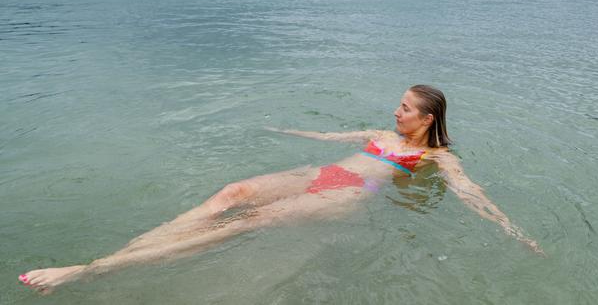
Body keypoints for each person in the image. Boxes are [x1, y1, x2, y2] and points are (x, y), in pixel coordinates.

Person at [19, 85, 542, 293]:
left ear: (427, 119)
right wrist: (277, 128)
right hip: (323, 173)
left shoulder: (436, 157)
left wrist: (512, 229)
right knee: (234, 192)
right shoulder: (379, 134)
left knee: (243, 225)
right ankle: (124, 252)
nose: (394, 110)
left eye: (404, 107)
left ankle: (92, 269)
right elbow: (329, 137)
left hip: (347, 194)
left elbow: (472, 194)